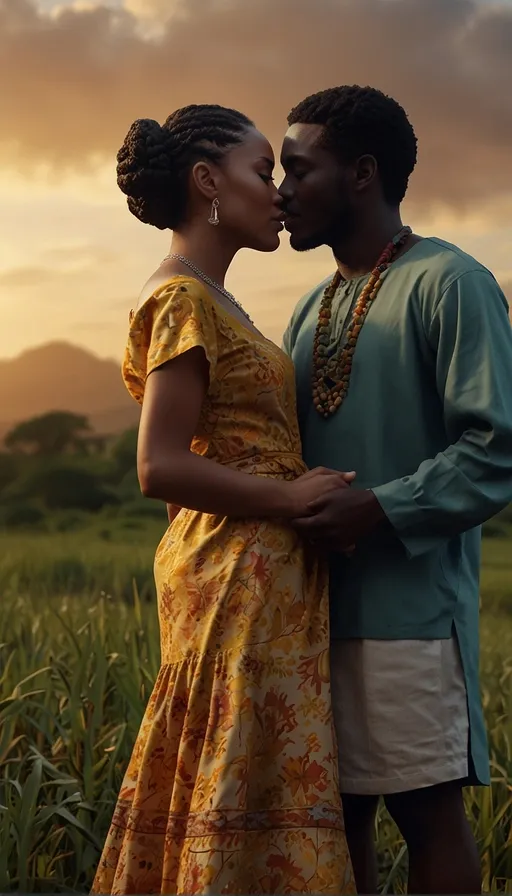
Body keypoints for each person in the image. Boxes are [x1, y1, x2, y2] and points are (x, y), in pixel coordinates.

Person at [92, 104, 355, 896]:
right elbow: (160, 466)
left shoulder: (218, 301)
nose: (276, 193)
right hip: (237, 585)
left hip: (251, 581)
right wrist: (285, 499)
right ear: (208, 182)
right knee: (233, 780)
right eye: (262, 171)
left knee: (252, 784)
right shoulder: (182, 300)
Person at [279, 84, 512, 895]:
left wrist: (377, 507)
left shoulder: (452, 281)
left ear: (363, 174)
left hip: (410, 618)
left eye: (297, 171)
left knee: (426, 817)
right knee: (332, 822)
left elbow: (495, 451)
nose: (280, 191)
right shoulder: (310, 307)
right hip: (310, 617)